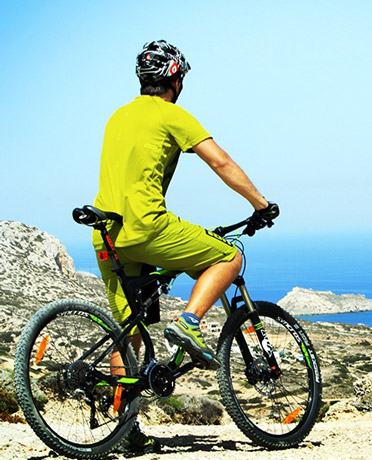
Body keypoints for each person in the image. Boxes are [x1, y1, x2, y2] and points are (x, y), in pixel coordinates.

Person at [92, 40, 277, 453]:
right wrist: (260, 204)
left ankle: (125, 430)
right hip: (147, 228)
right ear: (175, 78)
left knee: (130, 333)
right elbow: (221, 162)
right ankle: (189, 322)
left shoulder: (117, 117)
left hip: (107, 233)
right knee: (229, 255)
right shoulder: (171, 114)